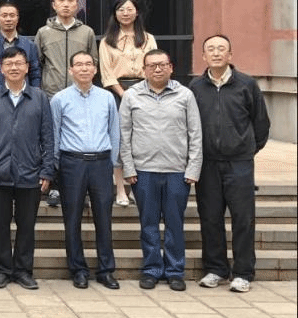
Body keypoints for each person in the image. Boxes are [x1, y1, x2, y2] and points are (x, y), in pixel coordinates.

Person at [190, 35, 270, 293]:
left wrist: (246, 149)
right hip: (208, 163)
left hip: (239, 163)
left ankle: (243, 273)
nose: (216, 53)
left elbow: (261, 123)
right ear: (203, 56)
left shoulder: (246, 84)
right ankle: (216, 269)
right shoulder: (195, 87)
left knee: (243, 218)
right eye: (211, 49)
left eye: (221, 49)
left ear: (230, 55)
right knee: (210, 217)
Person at [120, 49, 202, 292]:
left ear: (171, 67)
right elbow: (124, 134)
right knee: (148, 224)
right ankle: (152, 269)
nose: (157, 69)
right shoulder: (131, 96)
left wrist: (193, 168)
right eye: (152, 65)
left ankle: (175, 271)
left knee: (175, 224)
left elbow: (195, 134)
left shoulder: (185, 95)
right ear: (143, 70)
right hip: (143, 172)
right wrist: (128, 167)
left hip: (177, 172)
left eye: (162, 64)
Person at [0, 46, 55, 291]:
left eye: (19, 63)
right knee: (0, 225)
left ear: (27, 67)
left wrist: (47, 170)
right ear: (1, 69)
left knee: (26, 225)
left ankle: (23, 271)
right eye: (9, 64)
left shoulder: (39, 97)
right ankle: (1, 270)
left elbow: (48, 137)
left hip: (30, 172)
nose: (14, 67)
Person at [51, 51, 121, 290]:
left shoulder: (107, 98)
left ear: (95, 69)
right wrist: (56, 166)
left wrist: (113, 162)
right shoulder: (59, 99)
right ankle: (78, 269)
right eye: (78, 64)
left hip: (101, 163)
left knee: (104, 218)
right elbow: (54, 133)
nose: (83, 68)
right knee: (72, 219)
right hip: (72, 163)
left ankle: (106, 270)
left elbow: (114, 132)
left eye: (88, 64)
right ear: (70, 70)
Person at [35, 0, 97, 207]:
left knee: (78, 141)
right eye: (61, 0)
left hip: (80, 95)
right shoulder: (44, 32)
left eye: (71, 0)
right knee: (52, 142)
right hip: (51, 95)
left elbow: (93, 62)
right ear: (54, 5)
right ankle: (54, 186)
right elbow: (37, 64)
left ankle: (81, 189)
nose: (66, 4)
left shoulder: (87, 32)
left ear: (77, 5)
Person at [99, 0, 157, 206]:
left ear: (137, 12)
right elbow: (106, 73)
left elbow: (154, 65)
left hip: (144, 90)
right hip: (117, 92)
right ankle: (120, 189)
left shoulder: (148, 38)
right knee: (119, 139)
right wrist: (123, 93)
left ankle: (136, 187)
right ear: (115, 14)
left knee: (141, 138)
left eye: (129, 9)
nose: (125, 13)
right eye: (121, 9)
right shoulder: (107, 41)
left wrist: (143, 91)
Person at [0, 2, 41, 97]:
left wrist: (35, 94)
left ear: (17, 18)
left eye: (12, 15)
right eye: (4, 15)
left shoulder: (29, 45)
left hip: (23, 96)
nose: (8, 19)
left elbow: (35, 73)